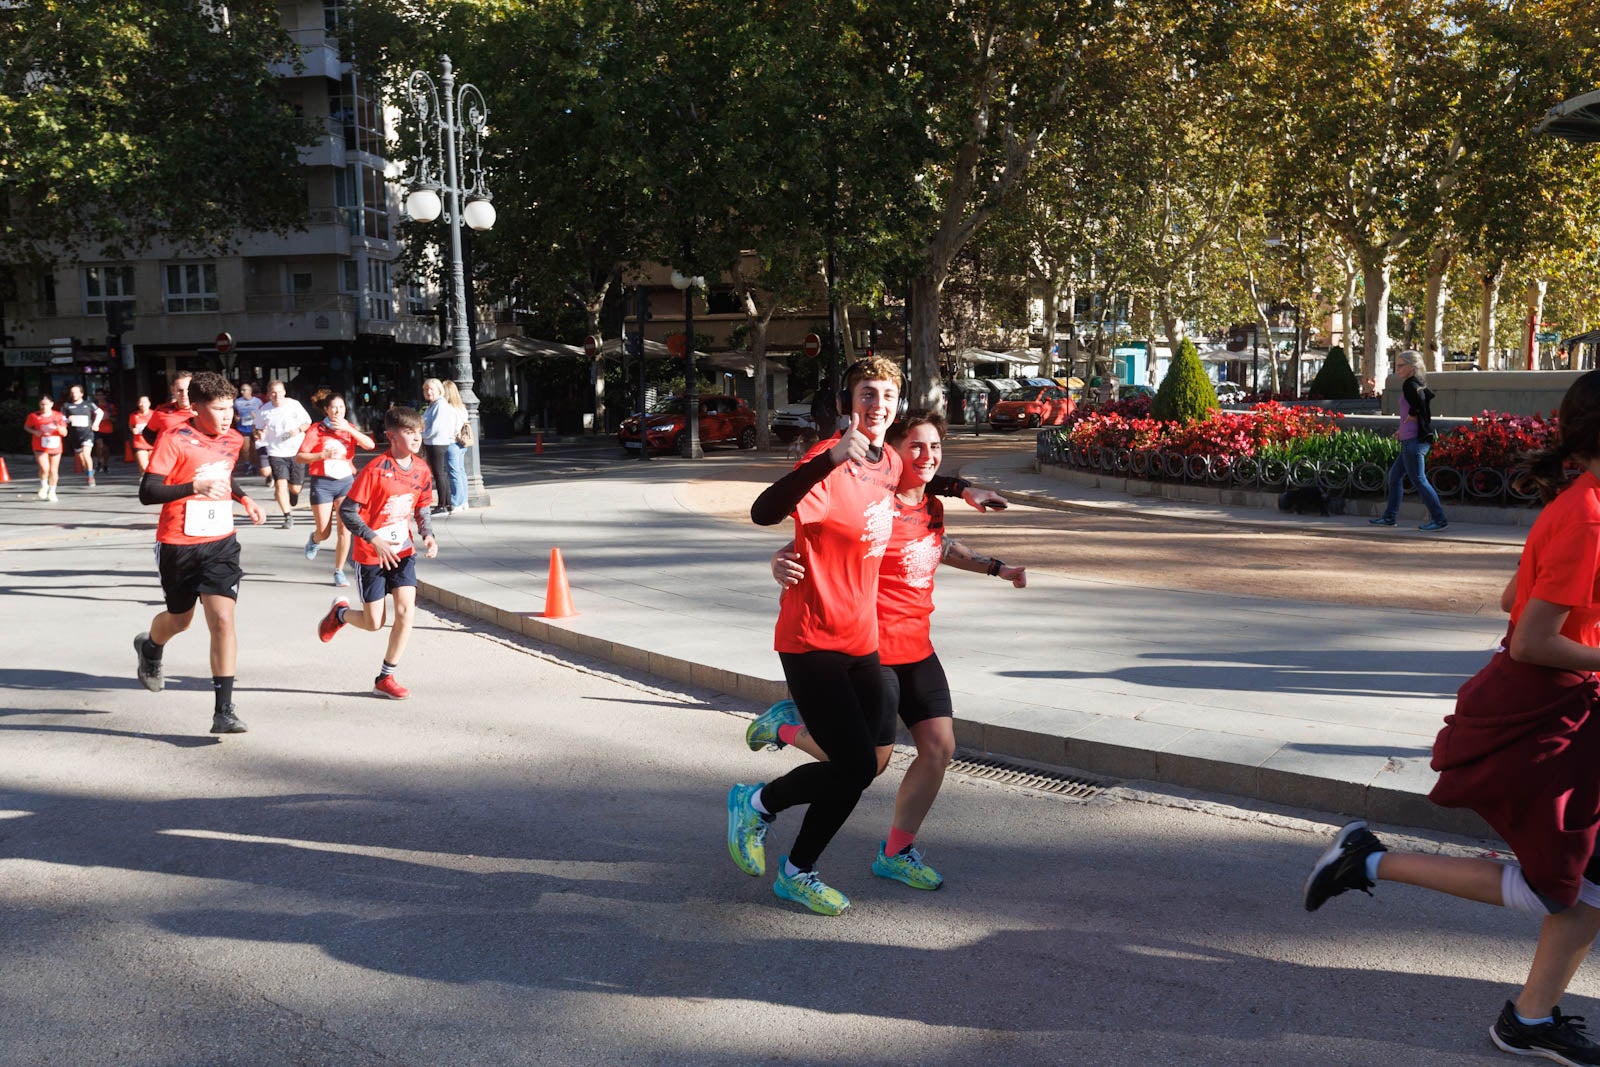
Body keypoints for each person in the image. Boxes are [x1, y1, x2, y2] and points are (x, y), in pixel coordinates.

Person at [1306, 368, 1600, 1065]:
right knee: (1560, 884)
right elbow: (1529, 633)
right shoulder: (1589, 513)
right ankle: (1369, 861)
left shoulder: (1581, 505)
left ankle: (1529, 1017)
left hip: (1560, 709)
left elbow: (1511, 597)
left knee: (1581, 884)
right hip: (1543, 714)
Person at [751, 410, 1028, 891]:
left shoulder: (930, 506)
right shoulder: (872, 506)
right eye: (915, 448)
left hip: (918, 645)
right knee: (866, 765)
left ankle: (896, 852)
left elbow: (939, 547)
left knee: (940, 749)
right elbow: (817, 539)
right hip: (873, 650)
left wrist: (994, 566)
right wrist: (778, 559)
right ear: (892, 457)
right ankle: (788, 729)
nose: (926, 457)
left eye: (935, 447)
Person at [131, 371, 266, 734]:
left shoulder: (234, 439)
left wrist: (244, 497)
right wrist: (193, 486)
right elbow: (149, 491)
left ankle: (224, 710)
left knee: (223, 620)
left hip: (221, 541)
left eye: (230, 409)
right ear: (198, 407)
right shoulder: (174, 439)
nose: (227, 417)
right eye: (219, 409)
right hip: (178, 541)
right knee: (180, 620)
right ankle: (151, 646)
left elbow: (223, 475)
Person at [315, 406, 437, 700]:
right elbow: (347, 511)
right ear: (391, 436)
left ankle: (386, 677)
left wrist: (428, 535)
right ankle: (340, 614)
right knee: (374, 623)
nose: (417, 438)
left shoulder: (421, 469)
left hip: (402, 550)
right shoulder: (375, 470)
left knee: (406, 612)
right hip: (371, 554)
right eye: (409, 432)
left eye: (419, 432)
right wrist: (373, 538)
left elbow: (422, 506)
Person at [296, 392, 375, 588]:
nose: (338, 411)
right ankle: (315, 539)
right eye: (334, 407)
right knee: (325, 532)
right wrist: (321, 455)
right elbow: (300, 457)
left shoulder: (349, 428)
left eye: (341, 407)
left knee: (344, 530)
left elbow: (370, 445)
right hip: (322, 482)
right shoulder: (317, 429)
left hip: (346, 482)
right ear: (326, 410)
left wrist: (350, 429)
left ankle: (339, 571)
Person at [1371, 351, 1448, 531]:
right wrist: (1404, 427)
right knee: (1395, 477)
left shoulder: (1409, 384)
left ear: (1411, 368)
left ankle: (1439, 519)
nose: (1397, 368)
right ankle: (1390, 517)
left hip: (1414, 442)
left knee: (1419, 480)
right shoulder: (1417, 383)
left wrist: (1412, 417)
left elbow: (1420, 402)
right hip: (1410, 439)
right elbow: (1423, 401)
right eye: (1396, 365)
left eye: (1400, 365)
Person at [254, 379, 312, 530]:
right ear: (268, 394)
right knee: (280, 484)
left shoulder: (294, 405)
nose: (277, 395)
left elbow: (307, 423)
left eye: (279, 392)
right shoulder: (264, 410)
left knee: (295, 488)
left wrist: (297, 430)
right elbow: (258, 427)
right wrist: (259, 433)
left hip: (296, 451)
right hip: (276, 451)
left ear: (284, 392)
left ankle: (294, 494)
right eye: (273, 392)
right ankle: (287, 516)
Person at [421, 378, 462, 515]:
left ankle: (442, 505)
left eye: (431, 389)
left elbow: (436, 426)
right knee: (440, 474)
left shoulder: (440, 404)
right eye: (426, 389)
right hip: (434, 442)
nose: (428, 391)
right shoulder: (434, 404)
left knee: (439, 474)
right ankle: (447, 503)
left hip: (436, 442)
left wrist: (423, 435)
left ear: (439, 390)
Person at [24, 394, 67, 502]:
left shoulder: (58, 416)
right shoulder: (33, 416)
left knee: (53, 470)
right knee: (44, 468)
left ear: (52, 404)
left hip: (55, 445)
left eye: (46, 404)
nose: (44, 407)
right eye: (42, 404)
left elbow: (64, 433)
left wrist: (57, 426)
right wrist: (35, 432)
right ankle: (44, 485)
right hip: (40, 445)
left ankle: (52, 491)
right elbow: (26, 427)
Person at [60, 384, 99, 488]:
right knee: (82, 460)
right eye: (72, 392)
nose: (74, 394)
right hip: (75, 435)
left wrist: (96, 424)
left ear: (81, 393)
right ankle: (90, 470)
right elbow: (61, 418)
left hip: (87, 433)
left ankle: (90, 477)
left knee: (86, 455)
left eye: (76, 392)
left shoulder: (88, 404)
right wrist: (68, 420)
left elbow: (100, 413)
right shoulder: (66, 405)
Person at [441, 379, 469, 512]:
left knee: (453, 472)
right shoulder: (461, 407)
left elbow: (450, 428)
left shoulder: (448, 409)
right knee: (460, 470)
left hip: (451, 442)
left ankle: (457, 501)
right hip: (462, 442)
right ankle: (464, 500)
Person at [146, 372, 196, 443]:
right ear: (173, 390)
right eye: (180, 390)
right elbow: (148, 435)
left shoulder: (203, 410)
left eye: (188, 390)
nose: (184, 394)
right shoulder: (162, 411)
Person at [233, 382, 263, 472]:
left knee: (255, 448)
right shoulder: (237, 402)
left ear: (250, 391)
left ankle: (255, 465)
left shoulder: (257, 401)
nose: (242, 392)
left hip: (255, 427)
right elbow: (233, 411)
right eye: (241, 390)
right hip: (243, 427)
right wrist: (235, 417)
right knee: (245, 448)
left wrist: (257, 418)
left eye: (244, 390)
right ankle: (247, 464)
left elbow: (263, 412)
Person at [127, 396, 155, 474]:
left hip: (152, 443)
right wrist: (133, 430)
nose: (143, 404)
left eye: (145, 402)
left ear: (149, 403)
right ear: (138, 404)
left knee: (152, 466)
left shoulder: (154, 414)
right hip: (139, 443)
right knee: (143, 466)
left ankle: (146, 481)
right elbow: (130, 425)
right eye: (141, 402)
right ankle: (145, 479)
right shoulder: (134, 415)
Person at [93, 390, 116, 473]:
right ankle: (99, 461)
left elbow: (115, 418)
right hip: (97, 429)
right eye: (97, 395)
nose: (99, 397)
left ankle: (105, 464)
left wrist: (109, 417)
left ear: (104, 396)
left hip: (108, 429)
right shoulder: (94, 406)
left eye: (101, 395)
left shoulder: (110, 406)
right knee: (100, 445)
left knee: (106, 449)